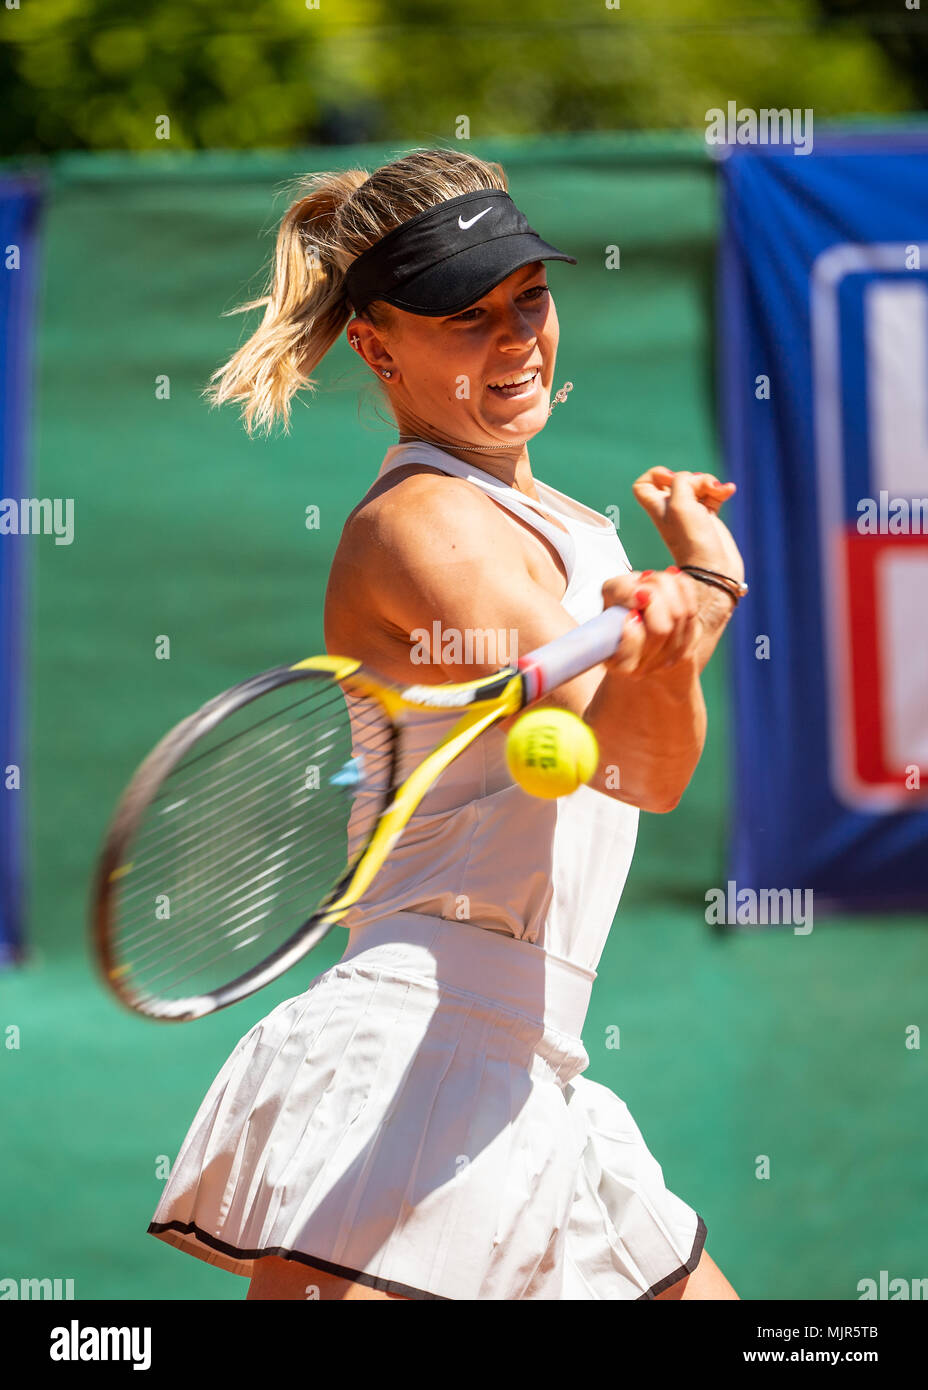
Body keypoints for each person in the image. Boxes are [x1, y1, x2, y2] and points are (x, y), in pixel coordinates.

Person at [148, 146, 745, 1301]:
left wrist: (697, 602)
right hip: (411, 1059)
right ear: (378, 348)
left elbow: (641, 747)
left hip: (533, 1061)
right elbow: (630, 760)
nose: (514, 338)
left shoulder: (562, 523)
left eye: (528, 298)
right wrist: (683, 628)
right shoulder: (429, 527)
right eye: (464, 319)